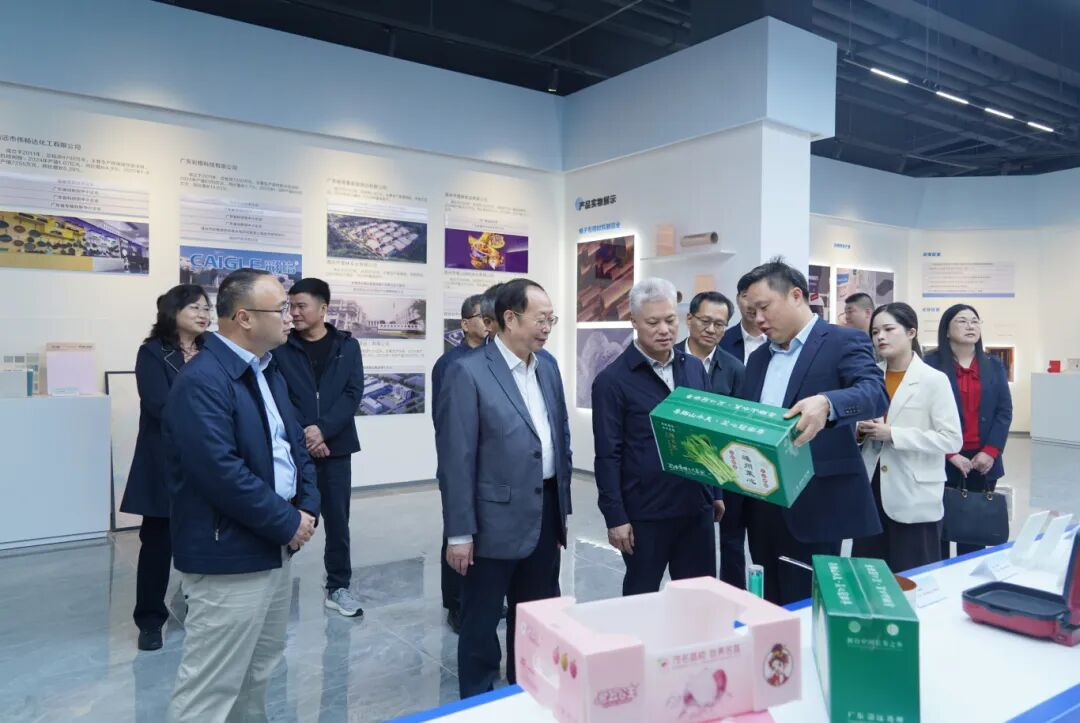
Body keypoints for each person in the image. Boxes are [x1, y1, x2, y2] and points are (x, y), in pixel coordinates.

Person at [163, 268, 321, 722]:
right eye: (282, 308)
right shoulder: (203, 380)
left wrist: (307, 506)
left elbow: (295, 447)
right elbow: (220, 472)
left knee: (258, 672)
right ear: (244, 318)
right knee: (210, 687)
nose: (292, 317)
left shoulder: (266, 370)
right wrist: (287, 521)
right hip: (229, 553)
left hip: (273, 545)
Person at [435, 278, 573, 699]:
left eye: (551, 319)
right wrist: (459, 533)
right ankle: (480, 701)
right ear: (509, 318)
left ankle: (527, 690)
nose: (547, 327)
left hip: (544, 512)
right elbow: (456, 459)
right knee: (480, 623)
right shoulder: (467, 371)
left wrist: (561, 509)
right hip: (490, 522)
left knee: (536, 617)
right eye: (540, 318)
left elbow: (559, 434)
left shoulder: (547, 366)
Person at [738, 258, 887, 604]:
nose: (758, 319)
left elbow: (875, 393)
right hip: (763, 500)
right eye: (751, 312)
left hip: (817, 501)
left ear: (795, 295)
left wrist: (828, 403)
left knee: (810, 603)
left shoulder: (842, 341)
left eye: (764, 307)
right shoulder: (759, 358)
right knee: (768, 601)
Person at [593, 279, 724, 596]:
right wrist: (615, 517)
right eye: (653, 322)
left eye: (670, 320)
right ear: (634, 321)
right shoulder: (612, 381)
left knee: (699, 596)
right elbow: (608, 455)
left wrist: (716, 490)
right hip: (646, 513)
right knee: (642, 598)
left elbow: (708, 434)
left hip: (695, 506)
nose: (664, 330)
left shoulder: (694, 369)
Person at [121, 284, 210, 651]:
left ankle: (199, 611)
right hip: (164, 462)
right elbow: (159, 405)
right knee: (157, 544)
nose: (204, 314)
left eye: (206, 308)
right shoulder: (153, 352)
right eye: (195, 308)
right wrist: (210, 417)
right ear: (173, 312)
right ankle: (150, 620)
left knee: (202, 541)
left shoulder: (213, 349)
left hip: (207, 461)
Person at [275, 277, 365, 618]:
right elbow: (280, 395)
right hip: (294, 448)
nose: (294, 313)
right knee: (285, 515)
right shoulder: (281, 347)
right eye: (291, 306)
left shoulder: (347, 346)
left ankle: (338, 587)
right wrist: (306, 435)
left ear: (323, 308)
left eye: (301, 306)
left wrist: (323, 431)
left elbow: (353, 393)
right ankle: (273, 585)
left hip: (336, 447)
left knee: (338, 522)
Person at [852, 303, 963, 572]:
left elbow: (951, 439)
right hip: (871, 488)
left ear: (911, 332)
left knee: (913, 575)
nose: (880, 337)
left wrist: (893, 434)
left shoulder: (933, 380)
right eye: (875, 332)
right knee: (869, 575)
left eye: (889, 329)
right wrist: (859, 431)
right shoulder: (869, 376)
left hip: (914, 492)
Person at [924, 304, 1013, 558]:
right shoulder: (930, 364)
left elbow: (1004, 411)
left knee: (973, 531)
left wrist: (991, 452)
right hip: (941, 456)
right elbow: (923, 412)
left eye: (975, 321)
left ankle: (967, 575)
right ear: (947, 330)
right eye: (962, 321)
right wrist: (950, 454)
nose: (970, 326)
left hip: (982, 462)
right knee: (938, 532)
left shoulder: (993, 365)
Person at [674, 290, 746, 589]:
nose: (711, 329)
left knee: (721, 550)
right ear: (689, 319)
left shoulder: (734, 368)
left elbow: (738, 426)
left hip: (718, 474)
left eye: (720, 324)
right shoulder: (668, 359)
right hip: (671, 474)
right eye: (705, 321)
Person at [431, 294, 487, 633]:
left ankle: (481, 597)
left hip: (491, 466)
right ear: (465, 324)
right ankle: (454, 602)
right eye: (482, 316)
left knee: (485, 534)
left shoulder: (496, 358)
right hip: (460, 463)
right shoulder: (450, 364)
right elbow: (445, 422)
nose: (488, 322)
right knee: (456, 532)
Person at [719, 272, 768, 365]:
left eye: (757, 297)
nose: (751, 305)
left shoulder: (779, 340)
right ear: (737, 299)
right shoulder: (723, 340)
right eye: (746, 296)